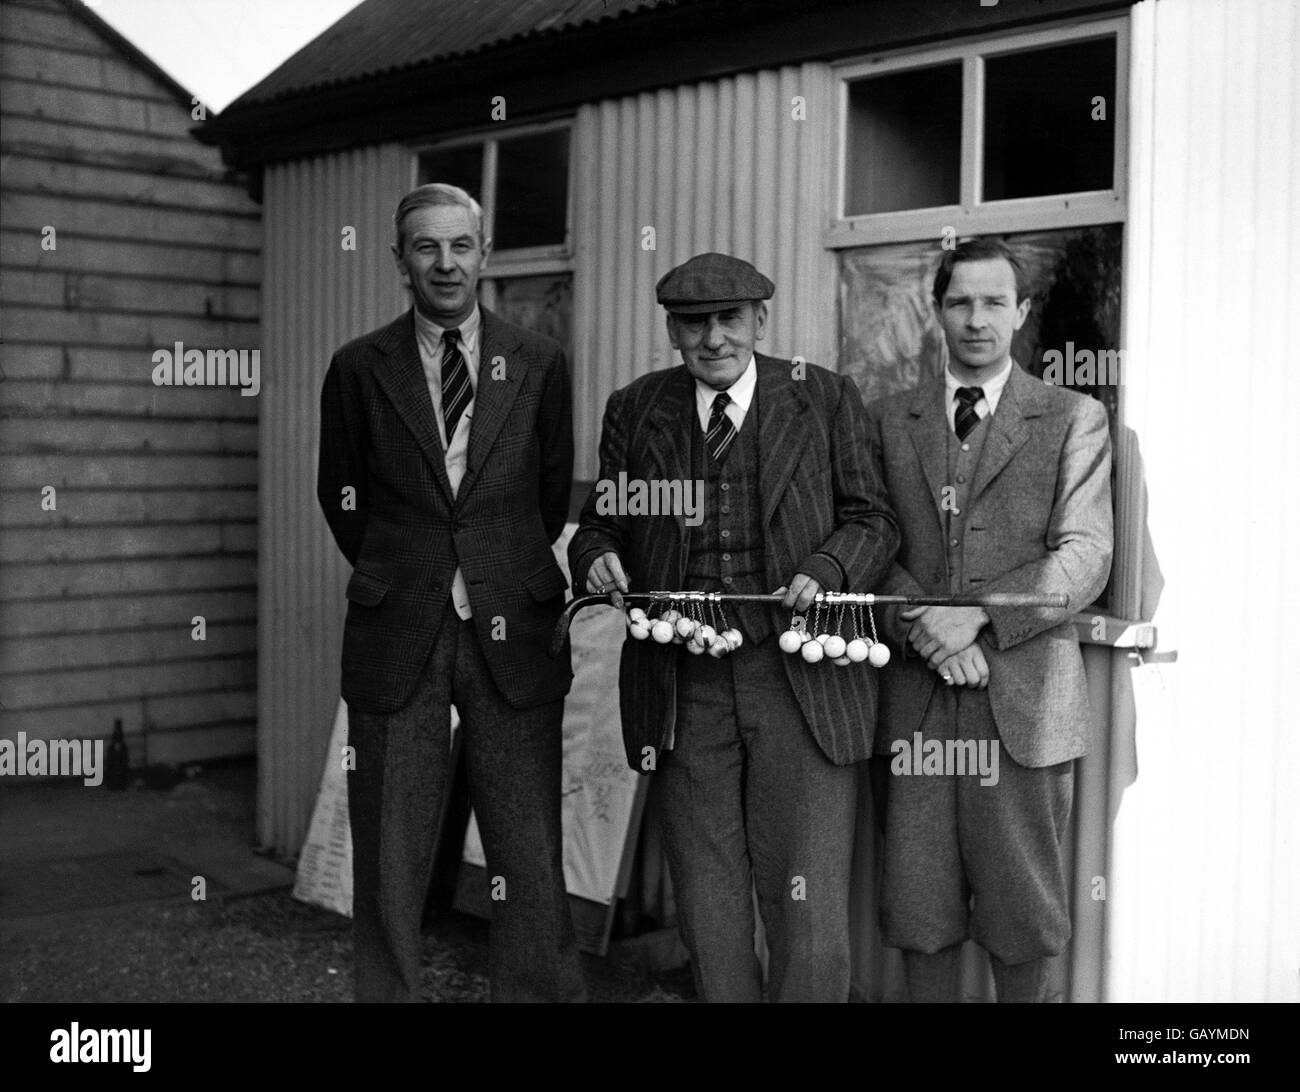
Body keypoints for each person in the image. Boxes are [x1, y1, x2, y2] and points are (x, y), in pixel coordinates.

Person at [569, 253, 898, 1002]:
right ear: (672, 329)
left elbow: (874, 520)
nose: (713, 338)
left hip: (802, 682)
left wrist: (827, 567)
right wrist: (596, 559)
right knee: (709, 901)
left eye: (729, 319)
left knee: (806, 908)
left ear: (760, 319)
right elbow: (602, 524)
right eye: (693, 323)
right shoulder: (636, 408)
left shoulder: (825, 398)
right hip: (685, 686)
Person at [317, 183, 584, 1002]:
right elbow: (342, 495)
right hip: (401, 627)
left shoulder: (537, 361)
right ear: (400, 261)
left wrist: (495, 567)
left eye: (460, 246)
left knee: (526, 843)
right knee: (391, 844)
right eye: (426, 248)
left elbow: (546, 496)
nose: (445, 263)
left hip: (515, 620)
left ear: (484, 253)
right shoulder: (360, 367)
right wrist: (409, 573)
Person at [866, 236, 1113, 1003]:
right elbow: (866, 543)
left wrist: (974, 616)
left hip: (1026, 704)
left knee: (1022, 915)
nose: (977, 319)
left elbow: (1085, 556)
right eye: (960, 301)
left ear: (1022, 312)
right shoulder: (883, 420)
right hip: (915, 701)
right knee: (919, 907)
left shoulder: (1074, 417)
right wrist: (927, 629)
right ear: (938, 311)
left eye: (994, 301)